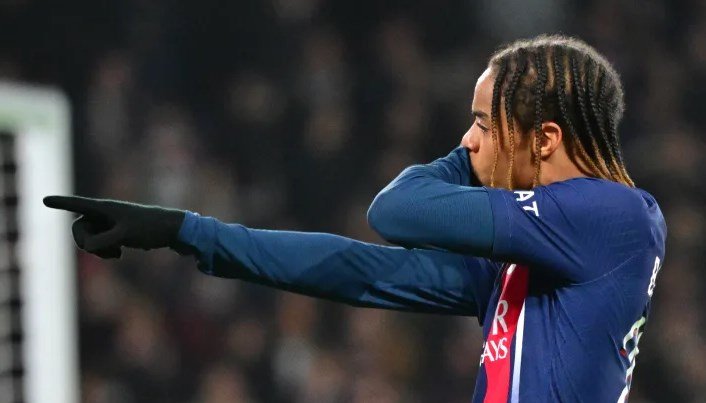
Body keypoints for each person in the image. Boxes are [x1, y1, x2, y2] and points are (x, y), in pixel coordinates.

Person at [44, 34, 666, 402]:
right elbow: (358, 269)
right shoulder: (537, 256)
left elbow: (394, 210)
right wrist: (183, 230)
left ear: (546, 137)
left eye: (482, 122)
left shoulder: (615, 216)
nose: (469, 141)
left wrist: (460, 163)